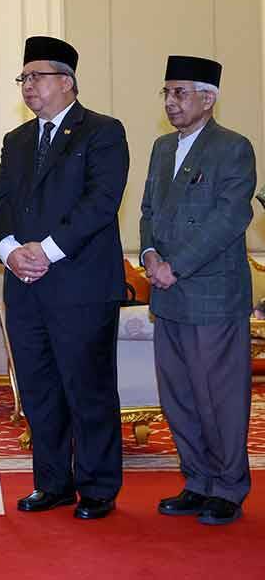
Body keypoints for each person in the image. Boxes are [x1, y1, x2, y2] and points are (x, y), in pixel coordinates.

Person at [0, 36, 129, 520]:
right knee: (39, 388)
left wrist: (44, 251)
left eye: (37, 77)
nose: (28, 86)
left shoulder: (103, 133)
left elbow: (99, 204)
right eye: (23, 78)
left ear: (66, 82)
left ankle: (97, 487)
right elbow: (0, 205)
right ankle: (52, 482)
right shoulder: (17, 140)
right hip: (25, 286)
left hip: (81, 285)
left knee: (86, 387)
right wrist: (9, 251)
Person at [140, 55, 255, 525]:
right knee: (179, 395)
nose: (170, 102)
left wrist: (177, 266)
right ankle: (197, 480)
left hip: (210, 294)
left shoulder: (233, 147)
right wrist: (148, 256)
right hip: (167, 293)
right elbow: (147, 209)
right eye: (166, 92)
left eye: (180, 92)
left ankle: (228, 487)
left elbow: (231, 218)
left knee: (220, 396)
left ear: (208, 98)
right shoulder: (162, 147)